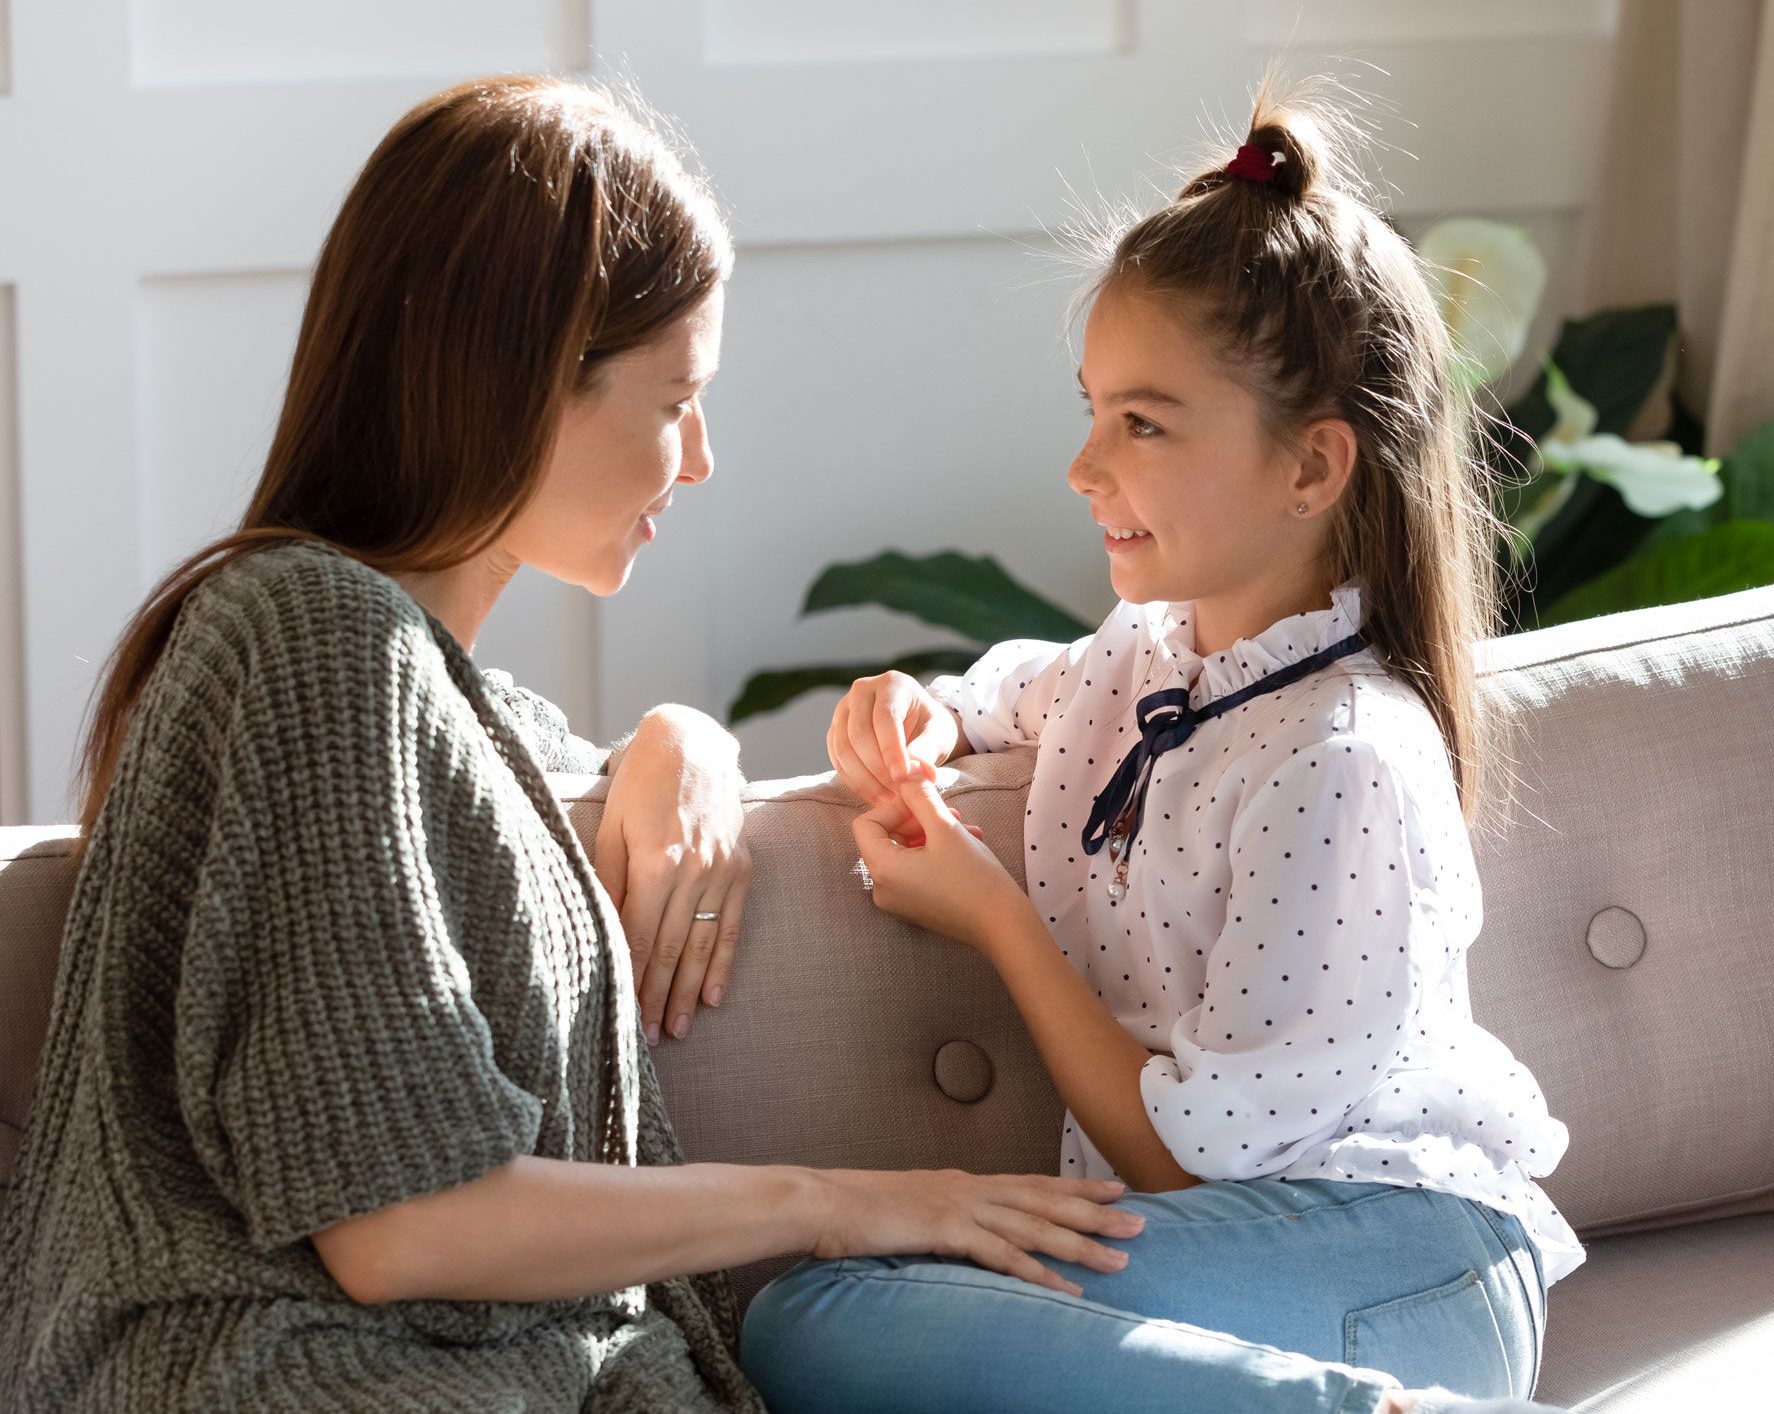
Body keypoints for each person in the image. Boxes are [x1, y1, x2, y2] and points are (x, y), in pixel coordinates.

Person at [0, 75, 1140, 1412]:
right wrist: (852, 1200)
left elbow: (548, 785)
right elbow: (402, 1225)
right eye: (674, 399)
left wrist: (682, 741)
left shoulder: (424, 694)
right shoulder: (301, 636)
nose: (701, 458)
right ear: (524, 383)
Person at [745, 72, 1584, 1414]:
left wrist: (990, 913)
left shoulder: (1341, 756)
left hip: (1408, 1263)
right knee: (800, 1315)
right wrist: (914, 706)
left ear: (1311, 470)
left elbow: (1191, 1165)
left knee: (824, 1315)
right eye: (1090, 407)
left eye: (1142, 422)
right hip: (1233, 1269)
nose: (1085, 465)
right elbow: (1018, 691)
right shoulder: (1148, 658)